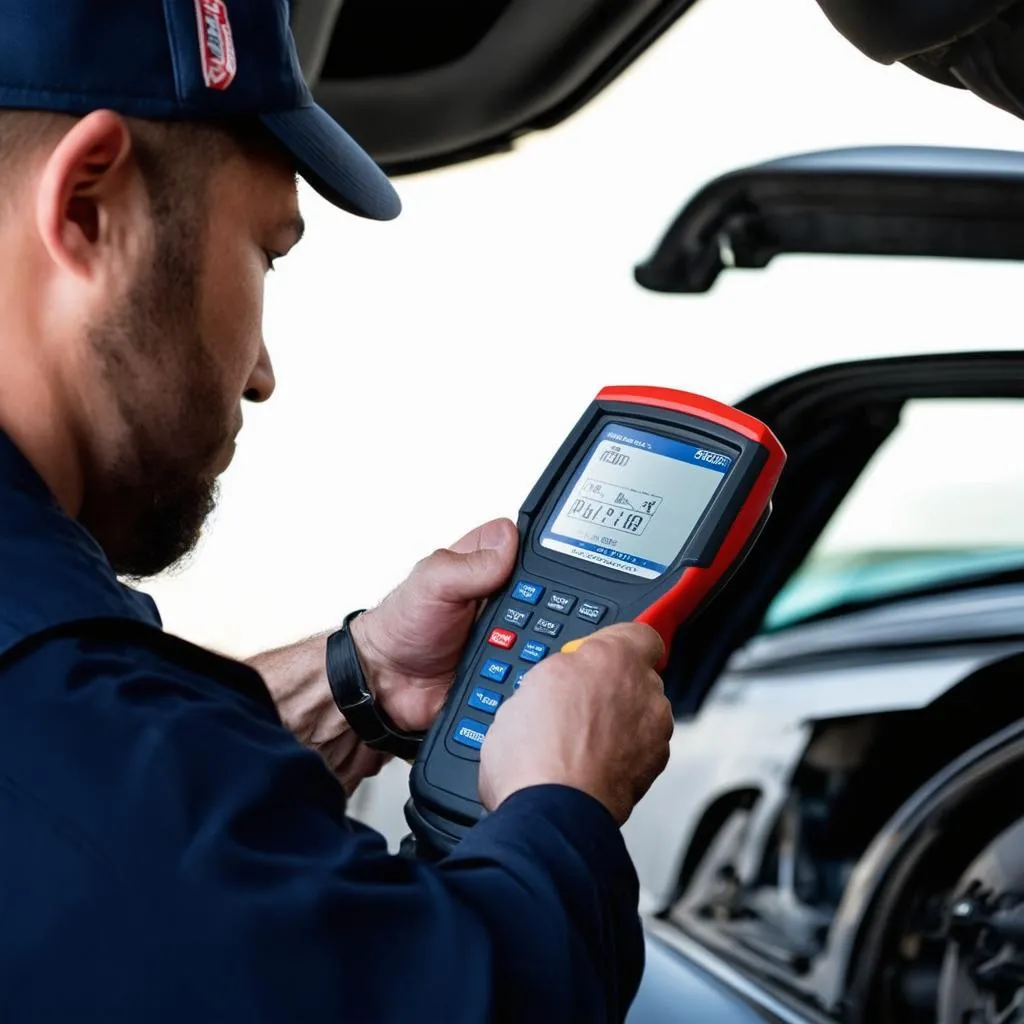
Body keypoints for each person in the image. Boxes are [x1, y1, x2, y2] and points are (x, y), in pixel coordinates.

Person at [0, 1, 676, 1021]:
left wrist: (351, 686)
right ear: (90, 205)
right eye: (267, 254)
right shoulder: (51, 702)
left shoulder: (60, 711)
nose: (262, 372)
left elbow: (99, 831)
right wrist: (563, 805)